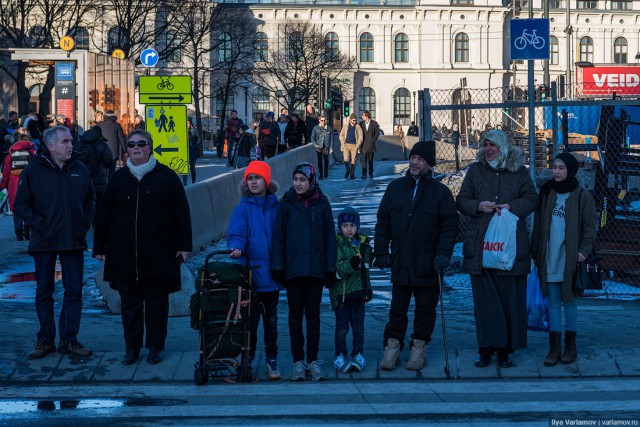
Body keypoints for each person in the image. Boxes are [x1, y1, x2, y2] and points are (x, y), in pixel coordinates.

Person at [93, 130, 192, 366]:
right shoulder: (118, 178)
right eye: (131, 144)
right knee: (130, 303)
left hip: (159, 252)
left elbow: (182, 213)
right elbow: (104, 214)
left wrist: (184, 246)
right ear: (126, 149)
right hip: (125, 253)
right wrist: (100, 246)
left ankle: (156, 347)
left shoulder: (166, 176)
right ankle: (132, 347)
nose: (136, 148)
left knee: (157, 303)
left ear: (150, 147)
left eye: (141, 144)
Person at [456, 129, 537, 368]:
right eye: (485, 145)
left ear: (503, 147)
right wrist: (478, 206)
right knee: (485, 301)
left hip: (510, 246)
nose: (488, 149)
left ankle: (505, 349)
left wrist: (511, 206)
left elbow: (532, 199)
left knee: (509, 298)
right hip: (481, 245)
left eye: (493, 145)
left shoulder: (519, 172)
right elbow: (461, 200)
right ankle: (485, 348)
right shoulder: (475, 171)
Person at [374, 141, 458, 371]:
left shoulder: (440, 192)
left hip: (429, 262)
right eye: (413, 158)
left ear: (429, 164)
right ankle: (392, 347)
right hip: (401, 260)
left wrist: (443, 255)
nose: (414, 162)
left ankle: (419, 347)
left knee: (425, 310)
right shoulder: (395, 188)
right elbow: (383, 222)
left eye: (420, 159)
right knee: (397, 309)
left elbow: (449, 226)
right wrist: (381, 251)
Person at [13, 126, 96, 359]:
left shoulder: (79, 168)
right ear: (51, 146)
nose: (71, 145)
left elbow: (91, 199)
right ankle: (45, 340)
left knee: (74, 291)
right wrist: (41, 224)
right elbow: (20, 205)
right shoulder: (33, 171)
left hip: (73, 241)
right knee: (44, 291)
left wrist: (85, 223)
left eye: (71, 141)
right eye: (66, 141)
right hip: (45, 241)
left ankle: (69, 339)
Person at [270, 162, 337, 381]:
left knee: (314, 316)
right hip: (294, 270)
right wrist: (278, 266)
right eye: (295, 179)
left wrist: (329, 268)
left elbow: (330, 239)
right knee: (295, 316)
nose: (298, 184)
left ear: (311, 181)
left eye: (302, 180)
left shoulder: (322, 205)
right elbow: (278, 239)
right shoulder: (286, 204)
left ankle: (313, 360)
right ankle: (298, 361)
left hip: (316, 270)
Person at [531, 153, 597, 366]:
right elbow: (538, 225)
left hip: (569, 259)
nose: (556, 171)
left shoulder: (581, 195)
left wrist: (584, 251)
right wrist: (536, 251)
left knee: (568, 302)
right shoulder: (547, 192)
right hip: (549, 257)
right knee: (552, 303)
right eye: (554, 167)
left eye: (561, 167)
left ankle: (570, 347)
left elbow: (590, 227)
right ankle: (554, 349)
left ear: (570, 170)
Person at [227, 161, 282, 379]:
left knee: (271, 321)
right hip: (249, 274)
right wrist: (236, 247)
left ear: (266, 181)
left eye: (257, 178)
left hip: (272, 273)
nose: (253, 182)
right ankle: (247, 358)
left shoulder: (276, 206)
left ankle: (272, 358)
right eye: (250, 178)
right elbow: (237, 232)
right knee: (249, 321)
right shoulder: (243, 208)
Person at [331, 207, 373, 374]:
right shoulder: (337, 244)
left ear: (358, 227)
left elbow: (368, 262)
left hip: (359, 293)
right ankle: (339, 354)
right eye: (345, 225)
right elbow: (338, 269)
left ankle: (358, 353)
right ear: (340, 227)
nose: (349, 229)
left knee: (358, 327)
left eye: (352, 226)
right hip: (341, 295)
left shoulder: (363, 243)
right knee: (342, 327)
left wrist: (376, 256)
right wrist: (352, 263)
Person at [0, 130, 36, 240]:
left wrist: (3, 185)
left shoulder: (10, 155)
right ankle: (27, 233)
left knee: (17, 209)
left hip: (14, 184)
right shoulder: (32, 153)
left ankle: (18, 234)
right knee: (29, 207)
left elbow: (6, 172)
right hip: (29, 184)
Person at [74, 126, 113, 214]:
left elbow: (72, 160)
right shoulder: (102, 145)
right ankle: (96, 224)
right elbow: (109, 161)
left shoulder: (78, 144)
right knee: (99, 206)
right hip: (100, 181)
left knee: (83, 204)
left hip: (81, 180)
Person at [97, 110, 126, 177]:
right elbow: (122, 139)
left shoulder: (100, 125)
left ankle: (104, 184)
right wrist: (125, 150)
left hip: (102, 151)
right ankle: (110, 184)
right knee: (112, 171)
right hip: (113, 152)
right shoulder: (117, 125)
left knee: (102, 170)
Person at [339, 113, 363, 180]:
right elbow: (341, 135)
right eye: (353, 120)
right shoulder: (346, 126)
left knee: (353, 160)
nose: (355, 121)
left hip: (354, 146)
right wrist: (343, 143)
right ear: (350, 120)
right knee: (346, 159)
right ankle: (348, 170)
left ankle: (352, 174)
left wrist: (357, 145)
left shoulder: (358, 127)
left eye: (355, 120)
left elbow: (361, 137)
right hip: (346, 145)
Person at [359, 111, 380, 179]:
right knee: (364, 161)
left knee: (370, 161)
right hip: (364, 145)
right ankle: (364, 174)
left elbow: (377, 133)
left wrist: (372, 140)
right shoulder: (361, 124)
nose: (362, 117)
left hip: (371, 145)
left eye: (363, 115)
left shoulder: (374, 124)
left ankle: (371, 173)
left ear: (367, 116)